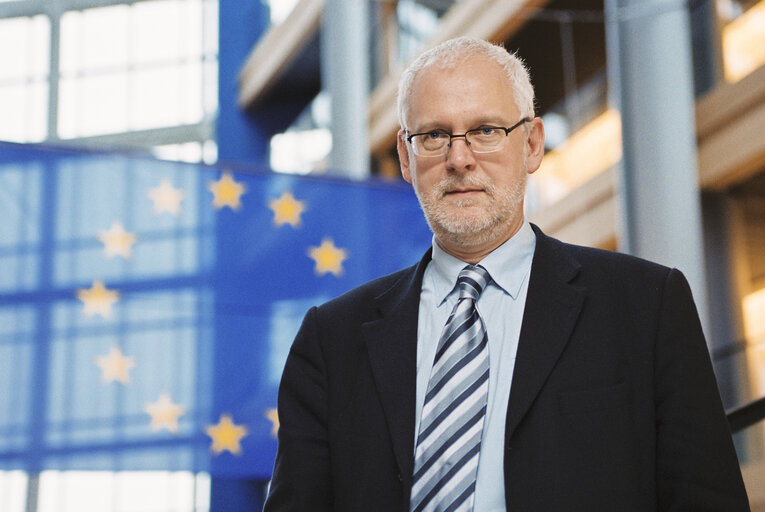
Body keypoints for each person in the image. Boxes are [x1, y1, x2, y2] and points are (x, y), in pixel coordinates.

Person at [263, 37, 749, 511]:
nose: (459, 158)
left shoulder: (647, 305)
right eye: (433, 135)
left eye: (486, 130)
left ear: (533, 144)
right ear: (407, 158)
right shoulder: (330, 341)